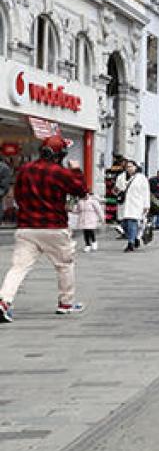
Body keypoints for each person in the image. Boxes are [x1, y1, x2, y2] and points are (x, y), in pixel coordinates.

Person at [0, 135, 89, 321]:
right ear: (61, 154)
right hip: (54, 226)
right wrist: (76, 170)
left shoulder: (24, 170)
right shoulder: (60, 172)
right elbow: (81, 191)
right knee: (64, 265)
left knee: (18, 267)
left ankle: (4, 301)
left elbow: (16, 195)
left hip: (27, 226)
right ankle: (65, 303)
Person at [115, 159, 149, 252]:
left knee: (132, 222)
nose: (129, 168)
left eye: (131, 166)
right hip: (124, 204)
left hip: (137, 204)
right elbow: (117, 188)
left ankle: (130, 243)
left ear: (135, 167)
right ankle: (135, 238)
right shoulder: (121, 177)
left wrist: (146, 205)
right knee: (124, 224)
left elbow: (146, 192)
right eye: (127, 167)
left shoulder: (141, 178)